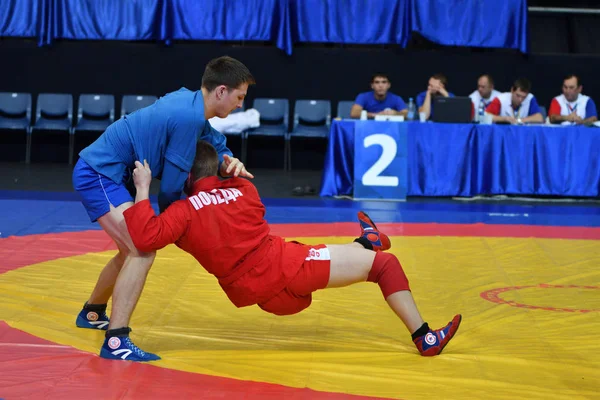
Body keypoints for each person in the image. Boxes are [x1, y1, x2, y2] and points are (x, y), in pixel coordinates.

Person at [119, 140, 462, 362]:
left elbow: (145, 237)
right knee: (385, 266)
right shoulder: (244, 189)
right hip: (285, 268)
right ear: (219, 168)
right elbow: (238, 198)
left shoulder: (180, 215)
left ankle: (363, 244)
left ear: (185, 173)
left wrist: (144, 188)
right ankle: (425, 337)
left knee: (321, 256)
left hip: (254, 290)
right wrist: (230, 171)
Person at [72, 56, 255, 361]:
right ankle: (116, 340)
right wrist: (182, 225)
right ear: (221, 91)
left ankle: (92, 312)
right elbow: (170, 190)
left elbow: (214, 141)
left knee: (128, 249)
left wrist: (230, 159)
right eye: (240, 97)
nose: (240, 105)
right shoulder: (187, 118)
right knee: (141, 248)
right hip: (99, 172)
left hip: (108, 172)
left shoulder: (191, 103)